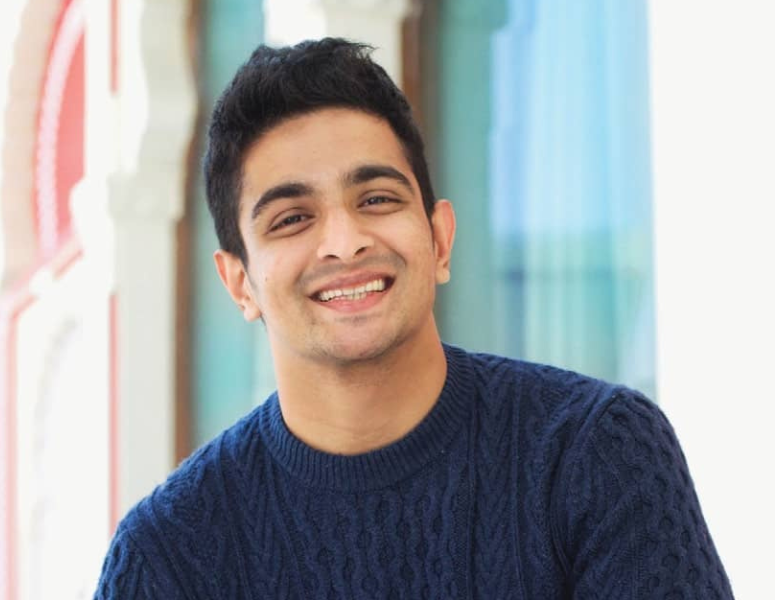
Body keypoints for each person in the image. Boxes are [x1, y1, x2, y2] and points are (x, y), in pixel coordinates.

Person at [94, 38, 733, 599]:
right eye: (292, 219)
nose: (345, 243)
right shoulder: (166, 556)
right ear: (240, 283)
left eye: (376, 199)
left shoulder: (596, 454)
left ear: (440, 239)